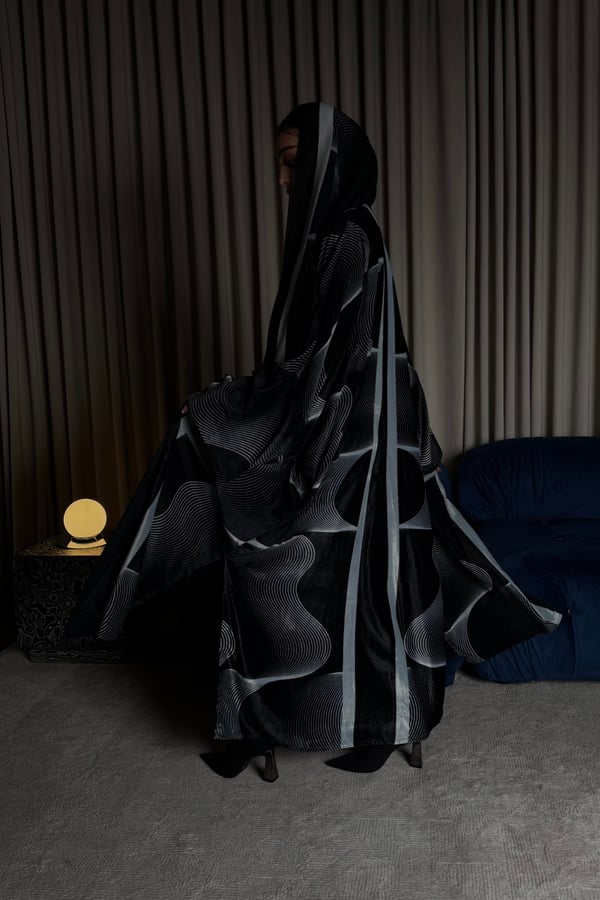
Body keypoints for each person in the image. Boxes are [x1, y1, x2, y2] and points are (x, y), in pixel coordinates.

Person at [67, 102, 560, 780]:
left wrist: (219, 403)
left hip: (351, 446)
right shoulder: (344, 234)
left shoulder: (344, 238)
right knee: (374, 589)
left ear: (334, 162)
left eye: (294, 162)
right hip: (371, 440)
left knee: (302, 570)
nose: (282, 179)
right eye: (280, 163)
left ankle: (269, 729)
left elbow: (321, 365)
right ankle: (338, 729)